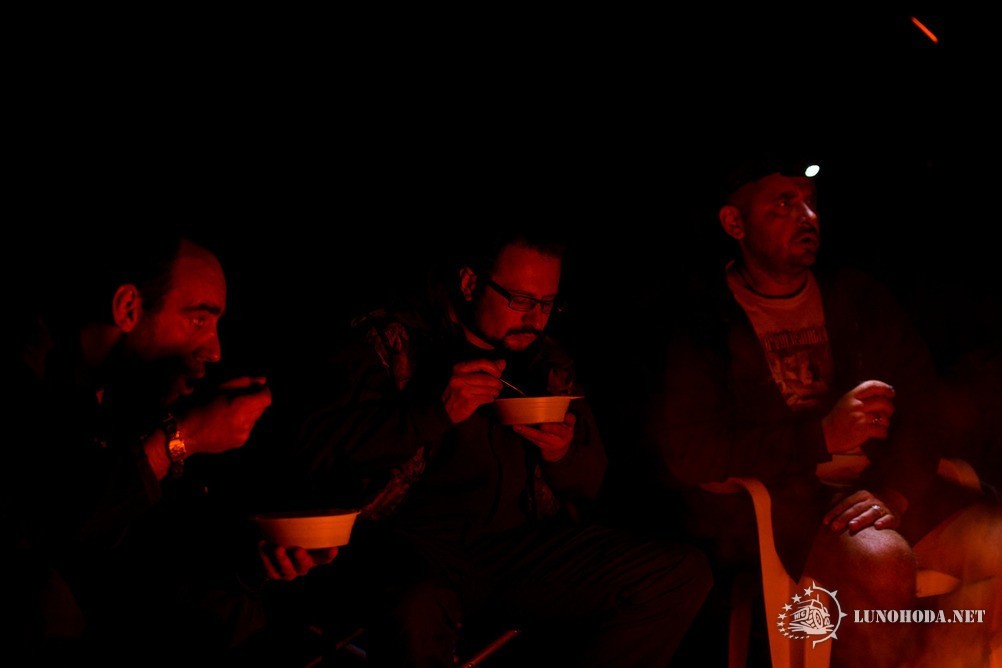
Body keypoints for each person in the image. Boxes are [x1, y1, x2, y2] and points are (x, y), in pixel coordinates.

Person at [276, 230, 712, 667]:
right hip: (404, 548)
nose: (535, 319)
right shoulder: (392, 341)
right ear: (470, 283)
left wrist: (561, 453)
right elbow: (319, 453)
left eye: (547, 304)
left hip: (514, 552)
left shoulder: (546, 362)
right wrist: (432, 413)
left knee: (676, 574)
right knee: (417, 607)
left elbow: (591, 482)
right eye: (521, 300)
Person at [648, 154, 1001, 667]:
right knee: (880, 558)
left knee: (996, 541)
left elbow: (924, 405)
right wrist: (821, 436)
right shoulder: (705, 325)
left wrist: (895, 490)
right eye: (784, 204)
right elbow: (691, 451)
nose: (808, 217)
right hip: (789, 508)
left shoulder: (856, 298)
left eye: (811, 202)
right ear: (735, 223)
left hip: (883, 491)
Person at [5, 233, 336, 665]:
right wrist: (183, 438)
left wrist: (254, 562)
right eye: (199, 320)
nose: (215, 350)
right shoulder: (22, 378)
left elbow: (147, 558)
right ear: (128, 307)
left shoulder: (131, 389)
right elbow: (42, 526)